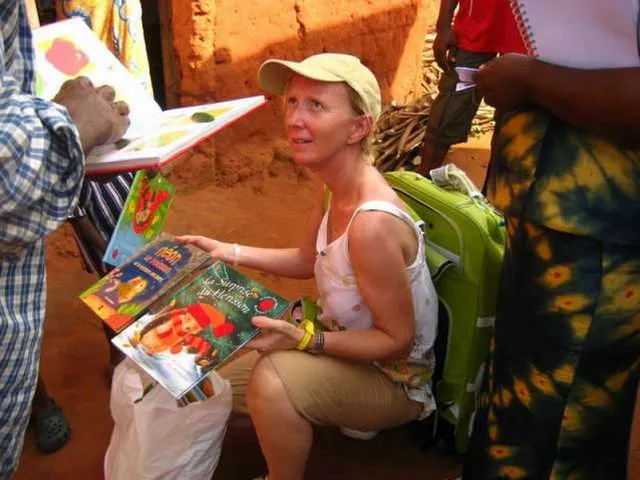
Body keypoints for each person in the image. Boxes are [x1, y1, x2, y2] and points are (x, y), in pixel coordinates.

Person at [178, 53, 439, 480]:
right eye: (293, 102)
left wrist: (304, 340)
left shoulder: (371, 226)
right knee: (214, 375)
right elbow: (307, 259)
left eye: (316, 105)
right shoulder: (336, 190)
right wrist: (229, 251)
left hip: (394, 380)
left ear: (358, 128)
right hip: (347, 347)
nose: (295, 119)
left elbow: (396, 341)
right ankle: (328, 400)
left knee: (271, 381)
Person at [462, 2, 640, 478]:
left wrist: (531, 79)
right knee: (518, 379)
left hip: (599, 232)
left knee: (567, 409)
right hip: (548, 216)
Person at [0, 1, 129, 475]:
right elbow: (11, 180)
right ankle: (38, 401)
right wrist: (70, 125)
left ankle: (119, 345)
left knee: (116, 248)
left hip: (94, 129)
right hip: (56, 133)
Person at [29, 0, 153, 455]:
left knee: (126, 261)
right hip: (63, 147)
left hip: (116, 148)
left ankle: (126, 348)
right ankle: (37, 400)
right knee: (103, 266)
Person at [418, 0, 525, 176]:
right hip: (473, 31)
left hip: (524, 34)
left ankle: (495, 186)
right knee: (450, 106)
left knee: (512, 117)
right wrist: (443, 27)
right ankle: (421, 179)